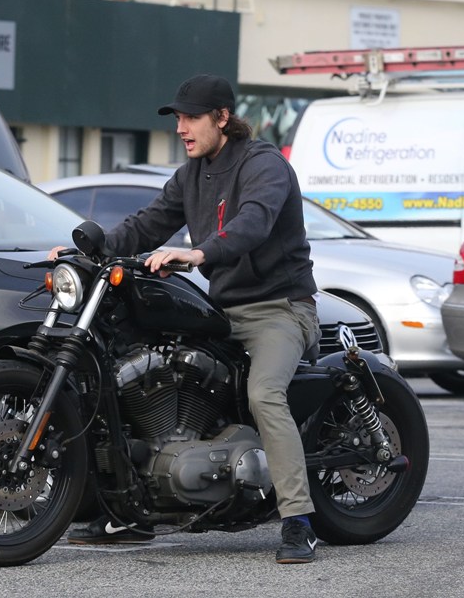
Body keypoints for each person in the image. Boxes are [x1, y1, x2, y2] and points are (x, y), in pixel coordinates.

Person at [53, 74, 321, 564]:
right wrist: (87, 250)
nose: (181, 128)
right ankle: (134, 509)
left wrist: (199, 253)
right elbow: (148, 223)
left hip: (280, 309)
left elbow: (254, 223)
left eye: (191, 118)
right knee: (138, 370)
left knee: (264, 393)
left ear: (222, 117)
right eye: (178, 118)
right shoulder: (192, 174)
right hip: (222, 310)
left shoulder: (264, 165)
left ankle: (298, 520)